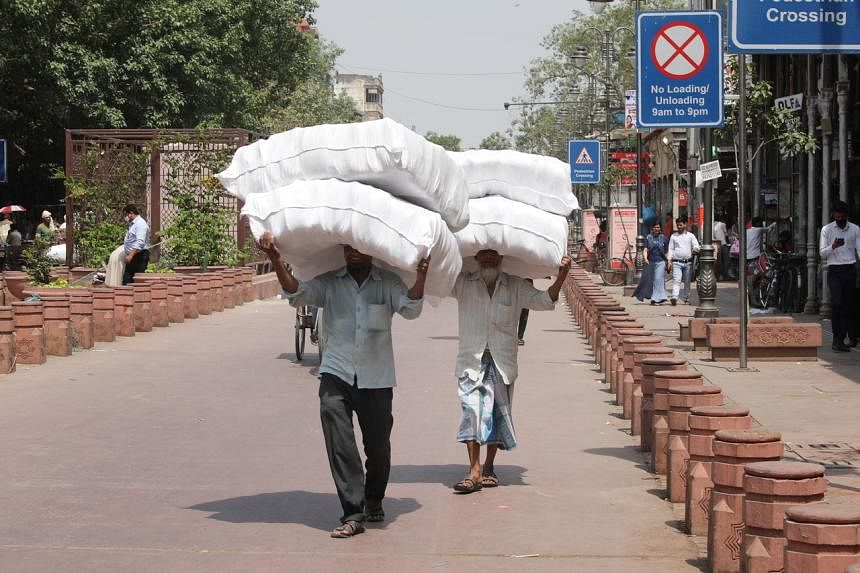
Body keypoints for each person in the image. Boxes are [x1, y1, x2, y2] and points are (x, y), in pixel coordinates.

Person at [258, 231, 430, 538]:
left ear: (372, 250)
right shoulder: (329, 282)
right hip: (335, 374)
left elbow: (410, 309)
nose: (353, 253)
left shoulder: (387, 283)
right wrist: (275, 259)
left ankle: (374, 498)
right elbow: (298, 295)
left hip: (376, 379)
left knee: (378, 449)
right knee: (340, 445)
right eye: (348, 247)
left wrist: (421, 277)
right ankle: (353, 512)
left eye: (360, 247)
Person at [450, 249, 571, 493]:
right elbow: (437, 282)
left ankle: (489, 467)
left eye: (493, 255)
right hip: (471, 359)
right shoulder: (462, 282)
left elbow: (544, 301)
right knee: (472, 410)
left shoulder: (515, 286)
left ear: (502, 258)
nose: (488, 259)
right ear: (476, 257)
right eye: (483, 255)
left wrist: (561, 276)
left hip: (502, 360)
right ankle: (473, 470)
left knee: (496, 412)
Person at [818, 201, 860, 352]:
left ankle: (849, 337)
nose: (840, 219)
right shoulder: (827, 230)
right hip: (834, 270)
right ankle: (837, 338)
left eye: (842, 217)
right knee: (837, 304)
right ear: (833, 215)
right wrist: (833, 246)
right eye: (837, 217)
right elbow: (822, 253)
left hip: (850, 269)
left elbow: (859, 250)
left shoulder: (855, 229)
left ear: (846, 216)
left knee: (849, 306)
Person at [633, 222, 669, 305]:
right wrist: (645, 258)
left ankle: (657, 298)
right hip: (651, 262)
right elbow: (645, 249)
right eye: (655, 227)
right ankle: (655, 297)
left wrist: (669, 261)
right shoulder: (648, 238)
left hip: (661, 262)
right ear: (652, 229)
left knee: (658, 279)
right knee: (649, 280)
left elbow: (666, 251)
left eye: (658, 227)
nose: (657, 229)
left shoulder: (663, 238)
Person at [667, 216, 700, 305]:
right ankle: (674, 297)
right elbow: (671, 249)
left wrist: (695, 249)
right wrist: (669, 260)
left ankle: (686, 298)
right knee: (676, 280)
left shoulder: (691, 236)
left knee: (687, 281)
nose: (679, 227)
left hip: (688, 263)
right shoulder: (673, 236)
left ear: (685, 225)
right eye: (677, 225)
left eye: (680, 225)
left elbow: (696, 245)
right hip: (676, 262)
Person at [121, 204, 150, 285]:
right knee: (127, 281)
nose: (126, 217)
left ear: (131, 213)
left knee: (137, 281)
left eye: (126, 215)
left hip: (139, 255)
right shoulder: (133, 224)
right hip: (133, 256)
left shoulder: (140, 224)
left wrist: (130, 255)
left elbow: (140, 242)